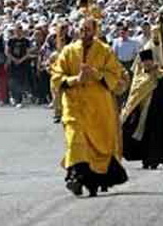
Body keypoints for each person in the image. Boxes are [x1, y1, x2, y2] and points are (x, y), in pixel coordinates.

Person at [50, 18, 128, 197]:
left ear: (94, 31)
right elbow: (56, 76)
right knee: (75, 139)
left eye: (87, 29)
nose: (84, 32)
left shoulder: (105, 51)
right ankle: (76, 178)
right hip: (74, 105)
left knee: (96, 145)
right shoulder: (69, 51)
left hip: (98, 107)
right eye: (81, 29)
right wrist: (74, 80)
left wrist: (96, 74)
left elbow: (115, 75)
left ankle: (92, 182)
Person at [121, 50, 163, 169]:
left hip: (161, 111)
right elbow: (133, 97)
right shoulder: (139, 78)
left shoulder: (162, 75)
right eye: (144, 61)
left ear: (153, 61)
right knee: (145, 136)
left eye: (149, 61)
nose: (147, 63)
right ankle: (147, 159)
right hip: (143, 112)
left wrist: (160, 80)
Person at [6, 24, 31, 108]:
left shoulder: (26, 41)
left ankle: (19, 100)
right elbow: (7, 52)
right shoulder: (11, 40)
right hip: (13, 63)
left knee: (21, 81)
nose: (18, 31)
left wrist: (20, 60)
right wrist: (14, 59)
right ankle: (14, 97)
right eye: (17, 30)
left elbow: (28, 53)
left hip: (23, 63)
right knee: (13, 81)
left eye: (20, 30)